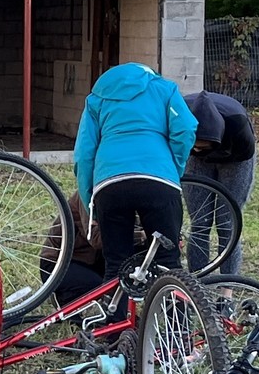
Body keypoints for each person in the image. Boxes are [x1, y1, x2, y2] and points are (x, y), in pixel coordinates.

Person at [73, 62, 197, 279]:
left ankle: (117, 312)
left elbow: (84, 155)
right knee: (168, 263)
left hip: (110, 184)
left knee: (116, 265)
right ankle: (173, 312)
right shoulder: (165, 89)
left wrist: (89, 202)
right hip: (159, 179)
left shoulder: (97, 99)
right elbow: (185, 129)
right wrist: (174, 169)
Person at [184, 88, 256, 275]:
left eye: (203, 147)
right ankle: (198, 284)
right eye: (196, 147)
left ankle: (227, 291)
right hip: (194, 159)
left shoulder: (239, 128)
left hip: (234, 158)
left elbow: (243, 159)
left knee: (227, 222)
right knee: (200, 222)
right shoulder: (178, 115)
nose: (200, 150)